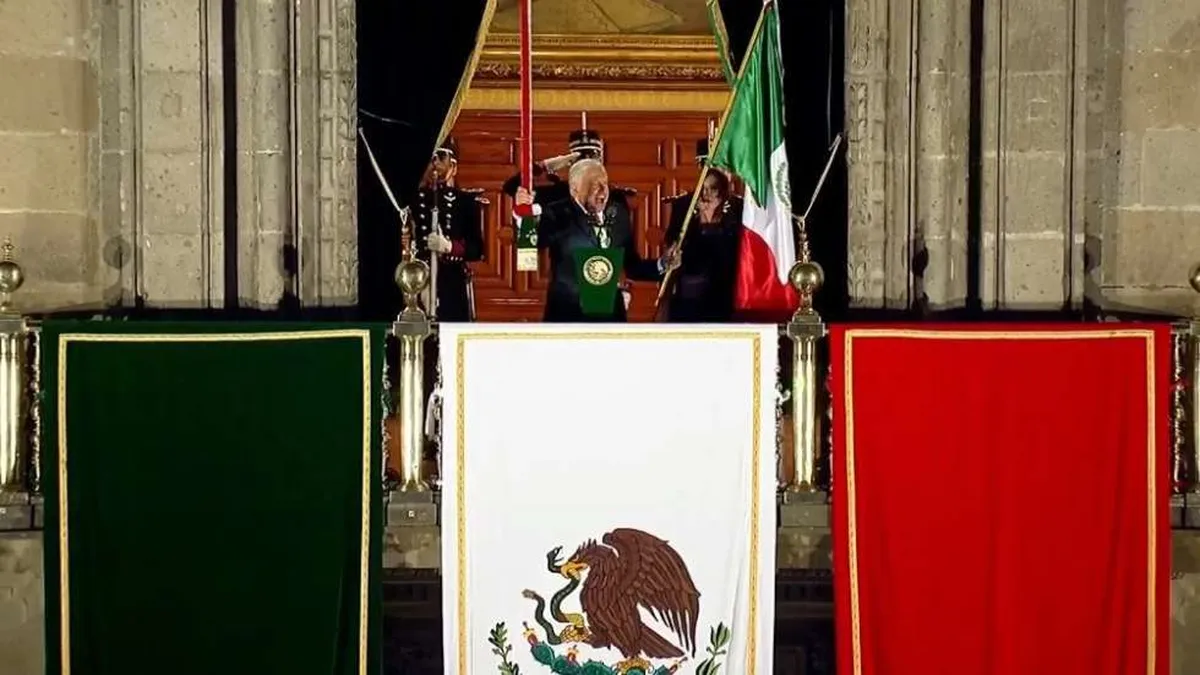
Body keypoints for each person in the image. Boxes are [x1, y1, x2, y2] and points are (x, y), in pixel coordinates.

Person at [515, 159, 678, 322]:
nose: (601, 191)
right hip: (568, 317)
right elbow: (531, 246)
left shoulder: (618, 213)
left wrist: (662, 264)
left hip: (610, 318)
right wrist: (522, 217)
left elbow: (631, 264)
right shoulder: (557, 213)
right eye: (592, 185)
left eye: (604, 183)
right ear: (574, 190)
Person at [661, 139, 744, 322]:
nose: (708, 193)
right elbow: (673, 240)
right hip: (691, 294)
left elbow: (741, 250)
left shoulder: (740, 207)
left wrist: (712, 226)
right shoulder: (684, 204)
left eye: (713, 188)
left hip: (728, 292)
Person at [411, 137, 485, 321]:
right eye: (431, 157)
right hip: (415, 277)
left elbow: (477, 249)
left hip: (450, 281)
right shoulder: (410, 200)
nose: (435, 163)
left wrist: (449, 247)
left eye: (441, 156)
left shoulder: (466, 202)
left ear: (453, 165)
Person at [502, 127, 634, 209]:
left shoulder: (614, 196)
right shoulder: (560, 193)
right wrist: (544, 165)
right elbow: (511, 187)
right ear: (571, 164)